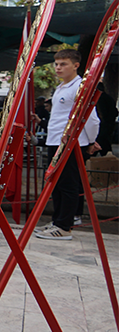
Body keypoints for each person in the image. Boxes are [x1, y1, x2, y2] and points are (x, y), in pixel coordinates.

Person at [33, 49, 100, 240]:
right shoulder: (61, 87)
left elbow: (91, 118)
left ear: (76, 65)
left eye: (63, 64)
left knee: (68, 184)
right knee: (56, 183)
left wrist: (91, 140)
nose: (58, 68)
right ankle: (57, 220)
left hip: (71, 143)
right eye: (56, 64)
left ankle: (64, 226)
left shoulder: (80, 87)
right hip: (55, 140)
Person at [94, 80, 117, 156]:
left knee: (101, 140)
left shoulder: (98, 99)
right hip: (109, 123)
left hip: (102, 123)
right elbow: (115, 112)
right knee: (105, 140)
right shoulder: (109, 98)